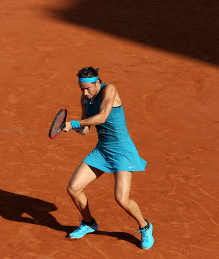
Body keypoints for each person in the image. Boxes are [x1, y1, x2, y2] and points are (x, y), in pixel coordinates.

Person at [62, 67, 154, 249]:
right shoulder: (85, 99)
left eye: (88, 88)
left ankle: (145, 226)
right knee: (73, 188)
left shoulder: (109, 89)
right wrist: (73, 128)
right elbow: (86, 130)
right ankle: (88, 223)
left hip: (122, 152)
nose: (85, 92)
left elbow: (102, 117)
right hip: (102, 150)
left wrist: (74, 124)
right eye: (81, 89)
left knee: (121, 199)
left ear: (97, 82)